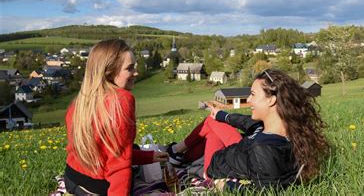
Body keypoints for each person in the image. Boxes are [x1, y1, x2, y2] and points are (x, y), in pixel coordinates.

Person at [167, 69, 329, 190]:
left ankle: (175, 154)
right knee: (214, 120)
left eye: (252, 94)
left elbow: (266, 190)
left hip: (213, 167)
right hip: (238, 154)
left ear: (271, 100)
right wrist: (222, 115)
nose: (249, 99)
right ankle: (176, 155)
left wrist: (224, 185)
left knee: (211, 127)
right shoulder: (275, 129)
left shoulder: (264, 148)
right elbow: (244, 121)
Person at [64, 39, 169, 195]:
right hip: (97, 187)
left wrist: (149, 157)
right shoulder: (121, 100)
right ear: (109, 72)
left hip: (72, 178)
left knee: (132, 149)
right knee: (131, 159)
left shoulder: (80, 101)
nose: (136, 73)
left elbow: (103, 151)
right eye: (130, 68)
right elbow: (118, 164)